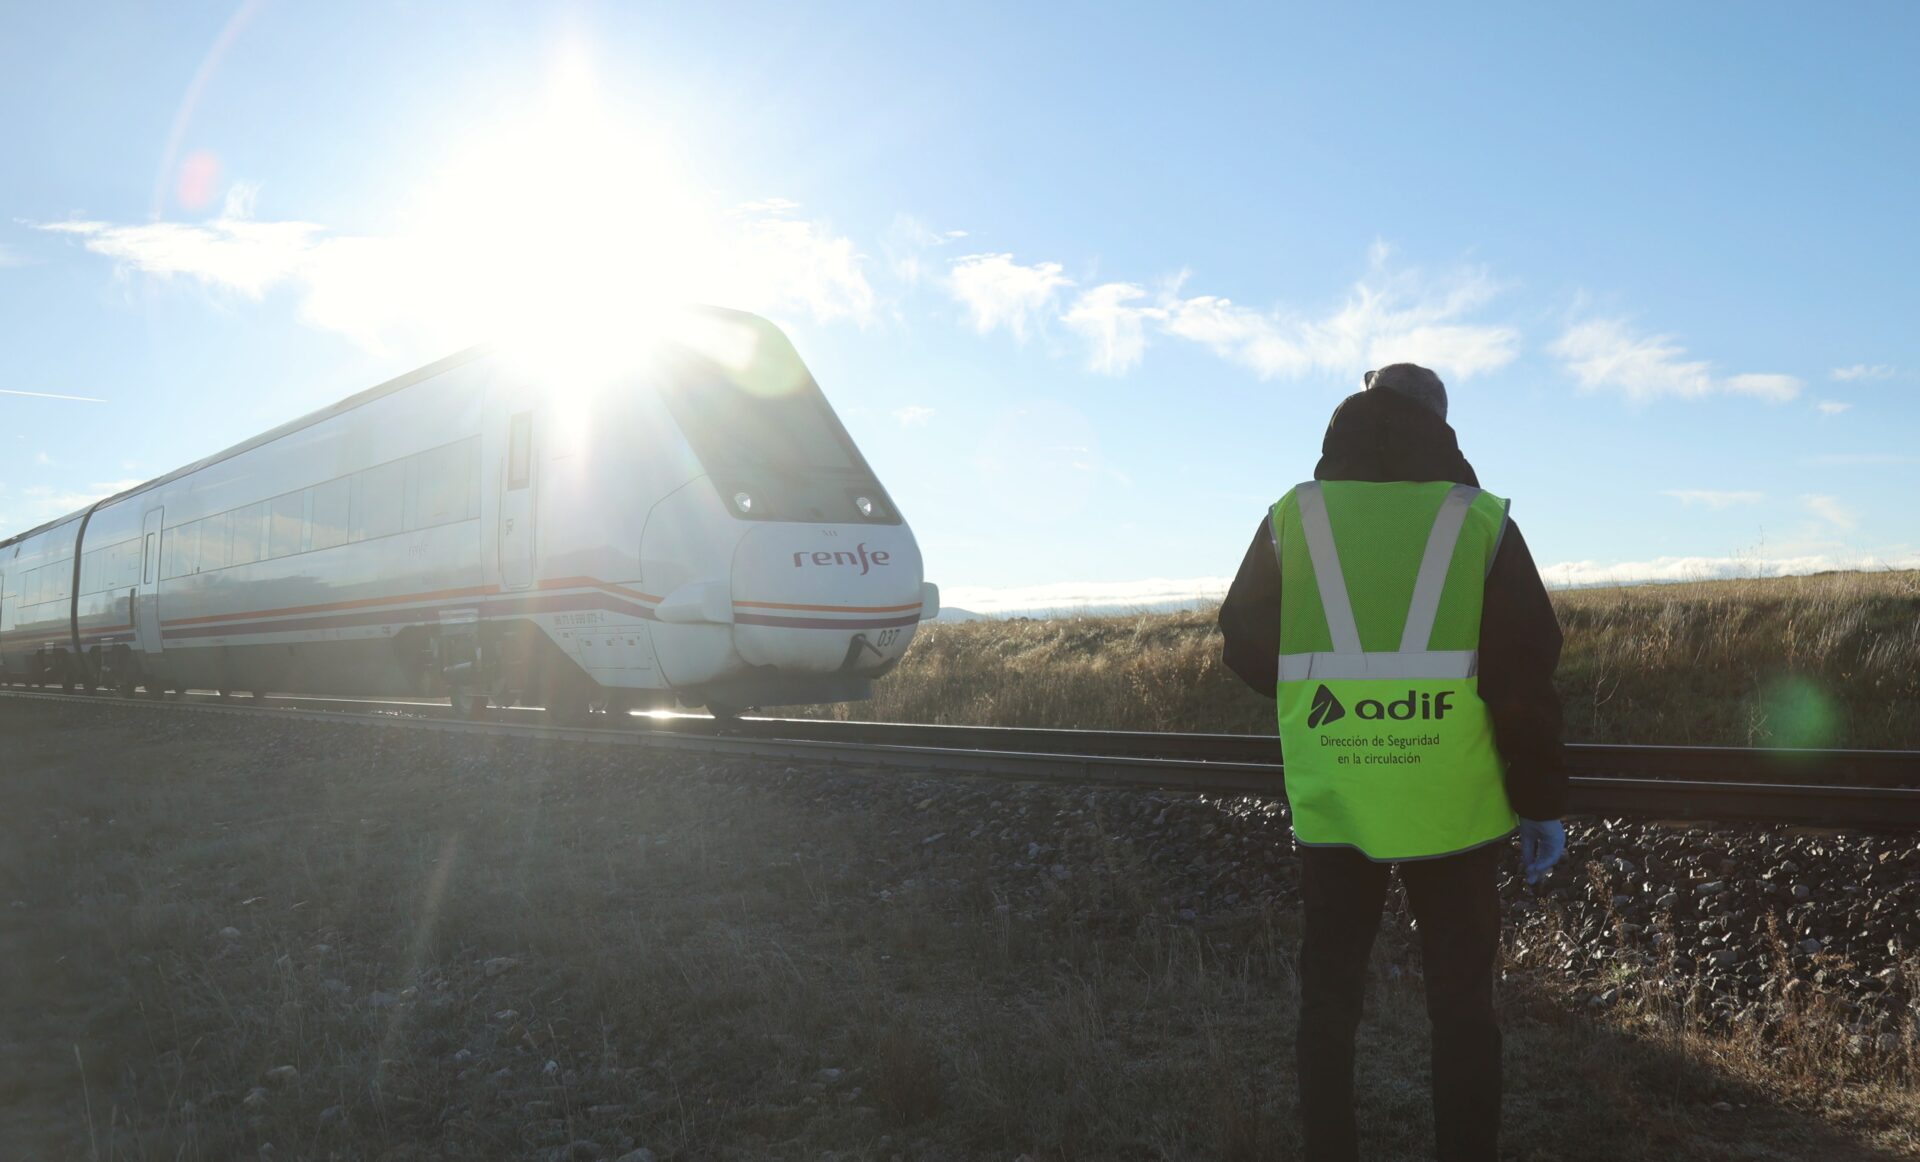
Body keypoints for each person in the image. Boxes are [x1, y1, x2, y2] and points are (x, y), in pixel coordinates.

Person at [1218, 363, 1568, 1162]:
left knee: (1330, 1001)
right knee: (1463, 1007)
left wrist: (1325, 705)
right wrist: (1541, 799)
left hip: (1336, 797)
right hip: (1454, 807)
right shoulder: (1477, 519)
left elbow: (1242, 639)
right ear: (1441, 424)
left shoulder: (1294, 517)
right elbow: (1524, 674)